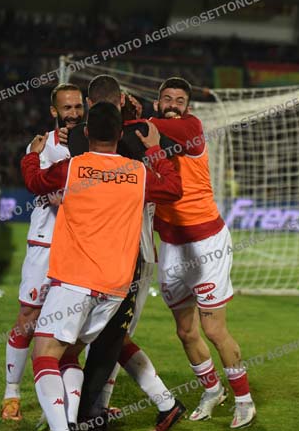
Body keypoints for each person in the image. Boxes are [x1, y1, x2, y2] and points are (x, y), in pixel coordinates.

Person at [21, 102, 182, 431]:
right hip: (115, 288)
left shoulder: (73, 168)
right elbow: (173, 188)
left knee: (44, 355)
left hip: (74, 279)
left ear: (87, 132)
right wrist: (155, 150)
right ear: (120, 134)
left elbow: (35, 182)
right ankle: (70, 420)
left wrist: (32, 155)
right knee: (69, 354)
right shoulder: (138, 174)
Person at [67, 75, 185, 431]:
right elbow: (173, 177)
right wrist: (147, 131)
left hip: (101, 255)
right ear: (121, 104)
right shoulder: (141, 139)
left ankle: (91, 412)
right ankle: (153, 403)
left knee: (104, 335)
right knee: (109, 335)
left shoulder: (75, 141)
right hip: (130, 255)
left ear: (89, 108)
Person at [149, 77, 256, 429]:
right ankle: (212, 391)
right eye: (167, 99)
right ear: (158, 102)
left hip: (206, 243)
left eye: (179, 100)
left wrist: (130, 119)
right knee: (185, 331)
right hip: (172, 246)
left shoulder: (190, 128)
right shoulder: (148, 139)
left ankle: (244, 400)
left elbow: (146, 129)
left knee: (213, 329)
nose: (173, 105)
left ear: (188, 107)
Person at [2, 83, 83, 422]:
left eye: (78, 106)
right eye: (67, 108)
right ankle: (11, 393)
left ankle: (65, 412)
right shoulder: (41, 146)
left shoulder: (93, 144)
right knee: (28, 319)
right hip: (45, 244)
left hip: (79, 247)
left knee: (70, 333)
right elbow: (42, 186)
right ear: (54, 111)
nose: (74, 113)